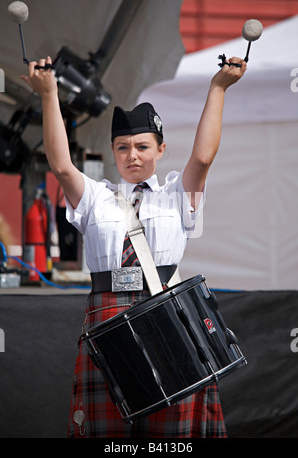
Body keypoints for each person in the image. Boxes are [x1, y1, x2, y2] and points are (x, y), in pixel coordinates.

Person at [21, 54, 246, 438]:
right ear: (113, 152)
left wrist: (218, 87)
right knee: (110, 434)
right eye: (122, 147)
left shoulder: (177, 193)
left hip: (166, 315)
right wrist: (49, 94)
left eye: (142, 146)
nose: (132, 156)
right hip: (106, 316)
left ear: (160, 150)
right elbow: (60, 165)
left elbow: (204, 156)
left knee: (171, 436)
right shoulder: (95, 197)